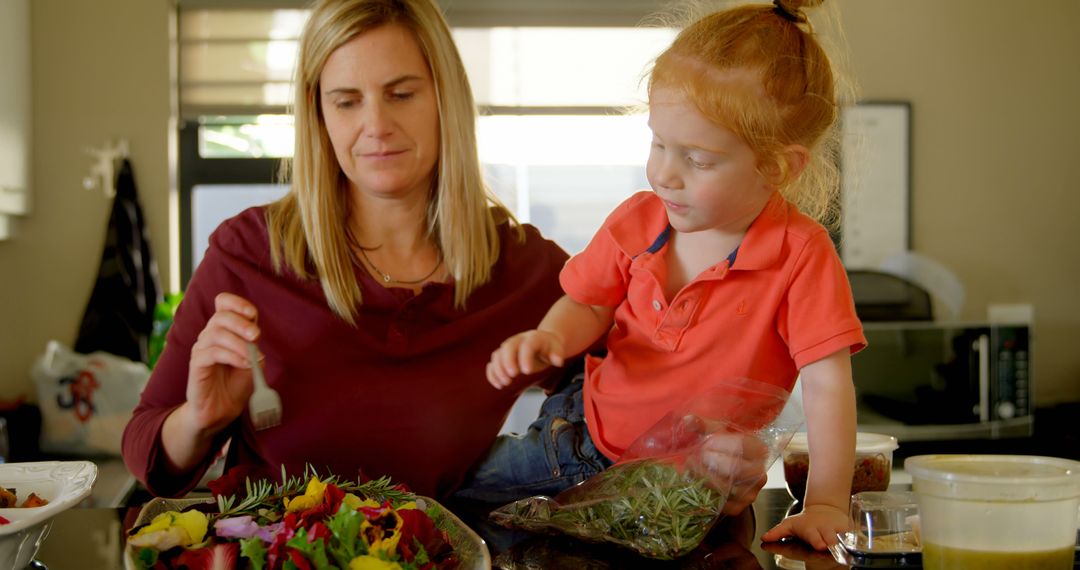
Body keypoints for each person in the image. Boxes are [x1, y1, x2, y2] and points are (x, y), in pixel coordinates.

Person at [121, 0, 573, 500]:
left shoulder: (522, 266)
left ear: (446, 98)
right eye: (346, 101)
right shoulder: (248, 254)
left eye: (401, 94)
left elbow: (629, 380)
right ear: (320, 115)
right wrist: (200, 420)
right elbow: (147, 453)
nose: (376, 124)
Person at [480, 0, 865, 551]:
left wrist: (826, 502)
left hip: (692, 491)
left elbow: (829, 387)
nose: (663, 172)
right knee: (458, 500)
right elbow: (589, 305)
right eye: (658, 143)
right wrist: (550, 338)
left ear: (777, 167)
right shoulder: (638, 219)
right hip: (578, 443)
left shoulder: (800, 255)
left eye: (697, 159)